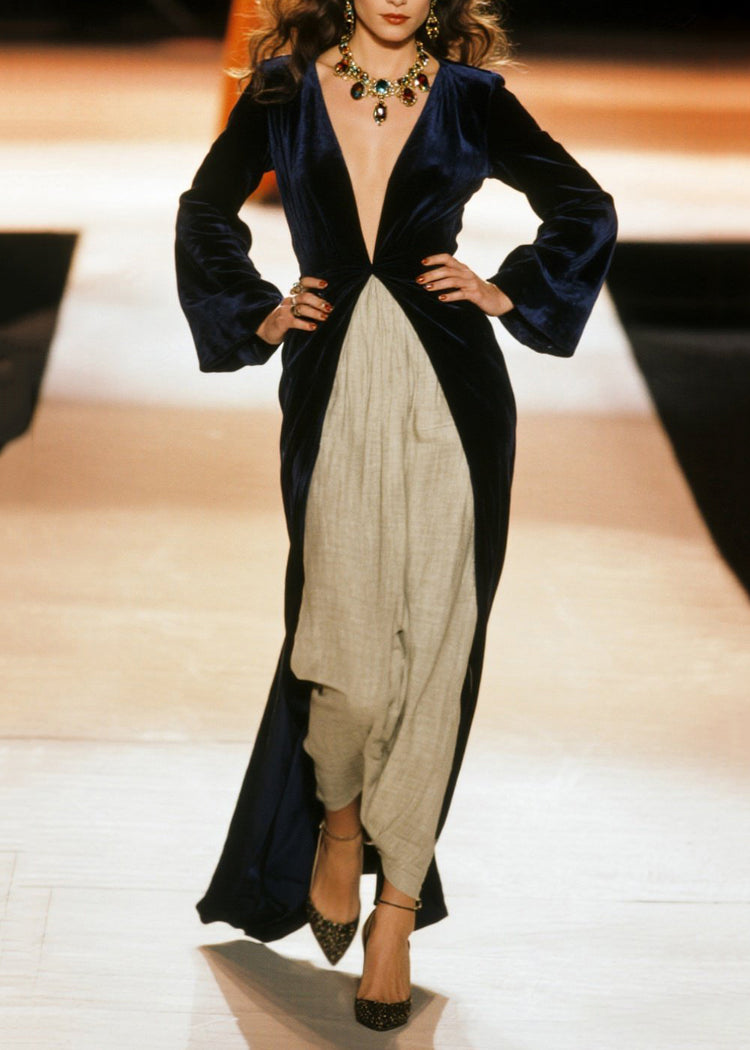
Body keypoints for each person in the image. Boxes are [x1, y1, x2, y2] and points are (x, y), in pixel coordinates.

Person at [175, 0, 617, 1032]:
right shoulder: (283, 91)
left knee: (438, 651)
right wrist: (259, 310)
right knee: (345, 657)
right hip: (331, 385)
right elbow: (204, 209)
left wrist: (506, 291)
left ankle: (399, 911)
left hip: (453, 393)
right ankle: (340, 824)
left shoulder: (472, 99)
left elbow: (583, 206)